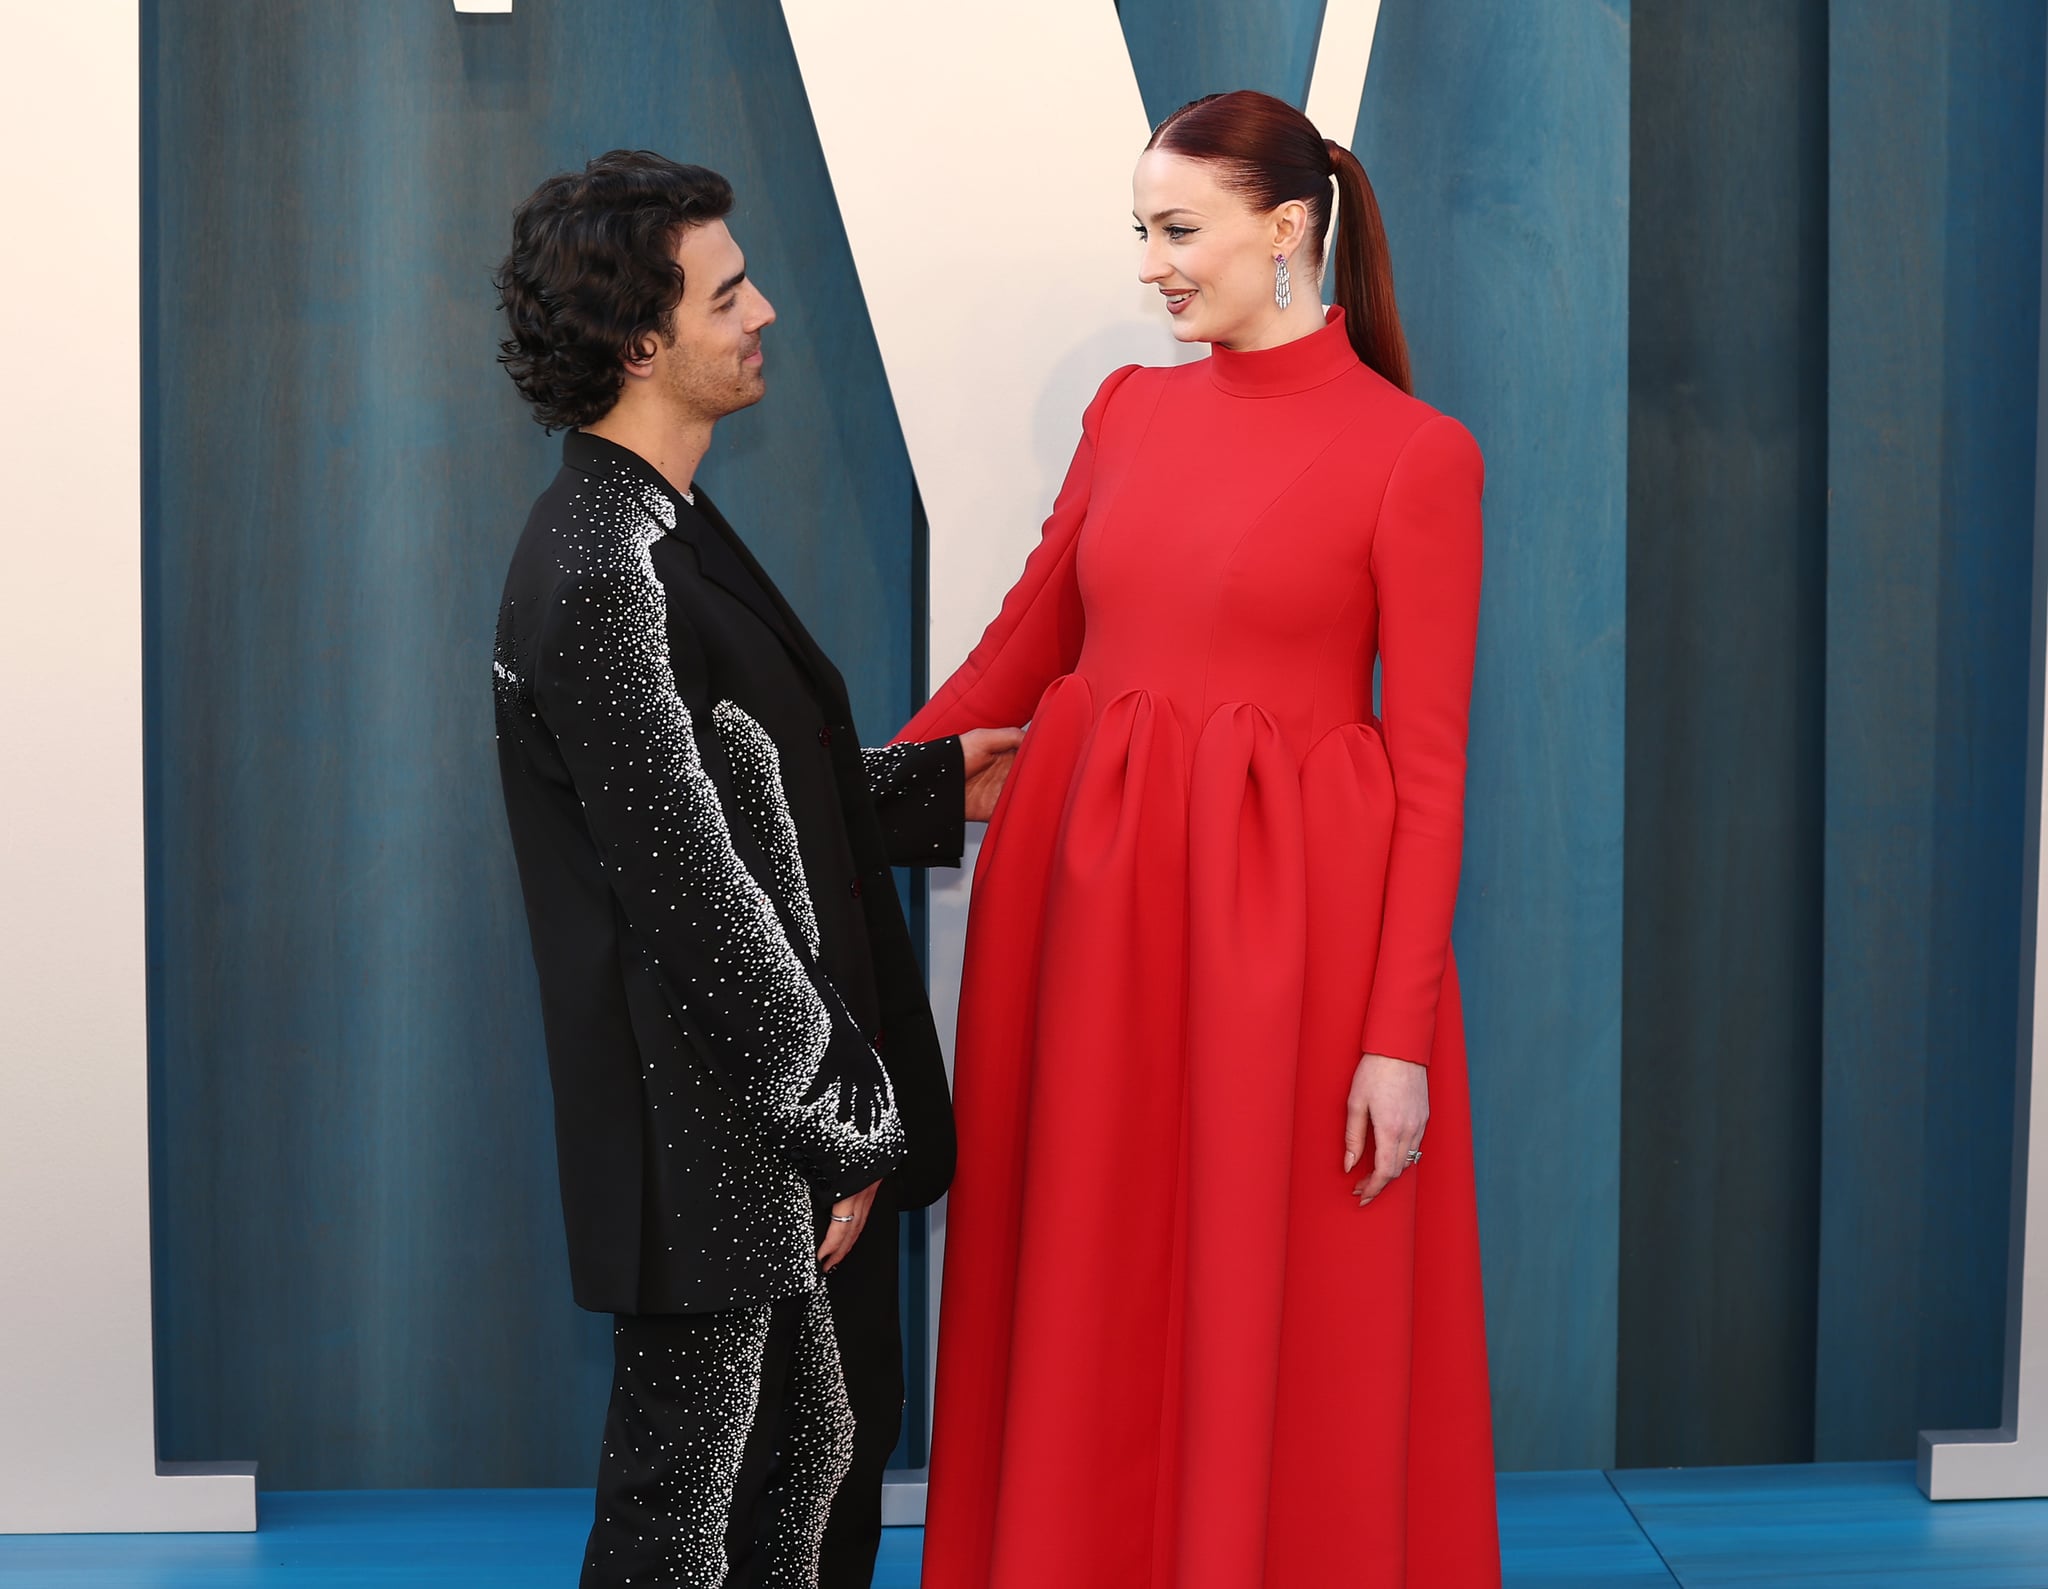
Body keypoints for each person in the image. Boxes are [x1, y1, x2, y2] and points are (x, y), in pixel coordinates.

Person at [899, 92, 1500, 1587]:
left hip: (1293, 956)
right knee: (1090, 1284)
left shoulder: (1418, 457)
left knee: (1271, 1304)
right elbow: (1018, 653)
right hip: (1085, 935)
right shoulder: (1130, 410)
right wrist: (838, 797)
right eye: (1141, 234)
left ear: (1289, 230)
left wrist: (1396, 1038)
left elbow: (1431, 771)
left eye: (1178, 231)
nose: (1152, 267)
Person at [489, 150, 1019, 1589]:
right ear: (643, 342)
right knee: (706, 1531)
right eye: (731, 294)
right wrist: (841, 1126)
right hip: (727, 1166)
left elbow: (728, 795)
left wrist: (930, 785)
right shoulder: (604, 567)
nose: (766, 310)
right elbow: (691, 891)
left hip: (757, 1151)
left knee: (800, 1508)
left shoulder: (655, 521)